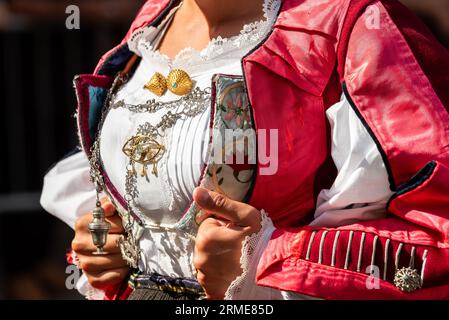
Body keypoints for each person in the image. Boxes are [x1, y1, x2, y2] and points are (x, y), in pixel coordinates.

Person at [41, 0, 449, 300]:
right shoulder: (153, 19)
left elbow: (436, 236)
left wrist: (264, 264)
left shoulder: (350, 22)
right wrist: (107, 248)